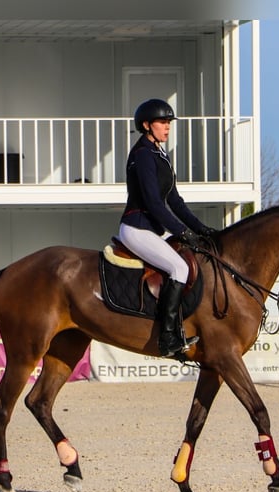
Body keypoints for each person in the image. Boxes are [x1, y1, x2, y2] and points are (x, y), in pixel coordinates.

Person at [119, 98, 217, 358]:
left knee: (187, 260)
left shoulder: (160, 155)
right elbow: (153, 203)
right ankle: (168, 338)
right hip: (137, 228)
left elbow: (175, 200)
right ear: (146, 125)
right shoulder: (141, 154)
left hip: (153, 229)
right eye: (163, 122)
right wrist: (181, 231)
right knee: (179, 268)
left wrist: (202, 229)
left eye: (169, 122)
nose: (168, 127)